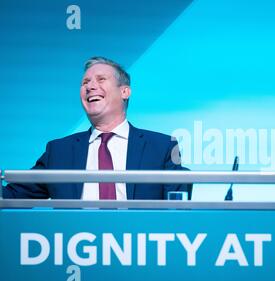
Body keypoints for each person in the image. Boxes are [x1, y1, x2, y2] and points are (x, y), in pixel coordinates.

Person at [2, 56, 191, 200]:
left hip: (140, 246)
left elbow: (176, 210)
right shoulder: (59, 151)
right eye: (85, 82)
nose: (90, 86)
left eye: (101, 80)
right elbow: (11, 197)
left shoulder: (164, 146)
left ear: (124, 91)